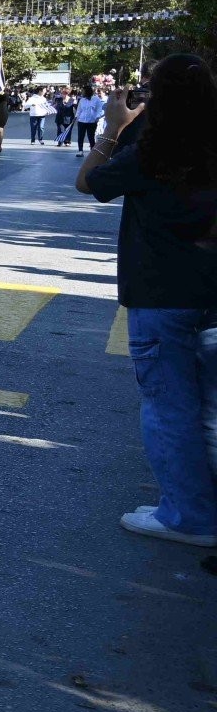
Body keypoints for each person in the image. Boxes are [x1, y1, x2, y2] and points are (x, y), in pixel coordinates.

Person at [77, 55, 217, 547]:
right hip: (210, 295)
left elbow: (89, 182)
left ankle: (188, 516)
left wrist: (114, 128)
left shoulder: (151, 151)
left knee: (169, 407)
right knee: (208, 408)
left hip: (162, 294)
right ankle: (198, 505)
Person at [74, 85, 105, 153]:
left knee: (91, 137)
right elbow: (79, 110)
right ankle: (80, 150)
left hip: (92, 121)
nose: (82, 92)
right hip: (82, 121)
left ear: (87, 92)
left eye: (83, 91)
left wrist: (97, 117)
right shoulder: (82, 100)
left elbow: (99, 110)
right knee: (80, 136)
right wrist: (76, 118)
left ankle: (92, 151)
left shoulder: (96, 99)